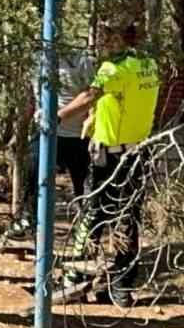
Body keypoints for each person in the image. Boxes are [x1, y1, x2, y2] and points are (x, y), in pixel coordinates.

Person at [56, 17, 160, 308]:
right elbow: (122, 98)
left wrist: (58, 115)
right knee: (128, 218)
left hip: (112, 156)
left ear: (121, 38)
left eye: (106, 36)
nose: (101, 42)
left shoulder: (112, 68)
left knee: (93, 214)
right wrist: (95, 119)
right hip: (138, 151)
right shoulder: (148, 64)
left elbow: (92, 93)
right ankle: (122, 284)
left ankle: (77, 273)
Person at [6, 47, 93, 240]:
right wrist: (20, 131)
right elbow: (32, 98)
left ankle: (87, 236)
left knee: (85, 187)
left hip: (79, 136)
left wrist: (58, 116)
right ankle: (28, 219)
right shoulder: (35, 58)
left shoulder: (80, 60)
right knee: (32, 167)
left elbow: (90, 95)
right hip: (46, 134)